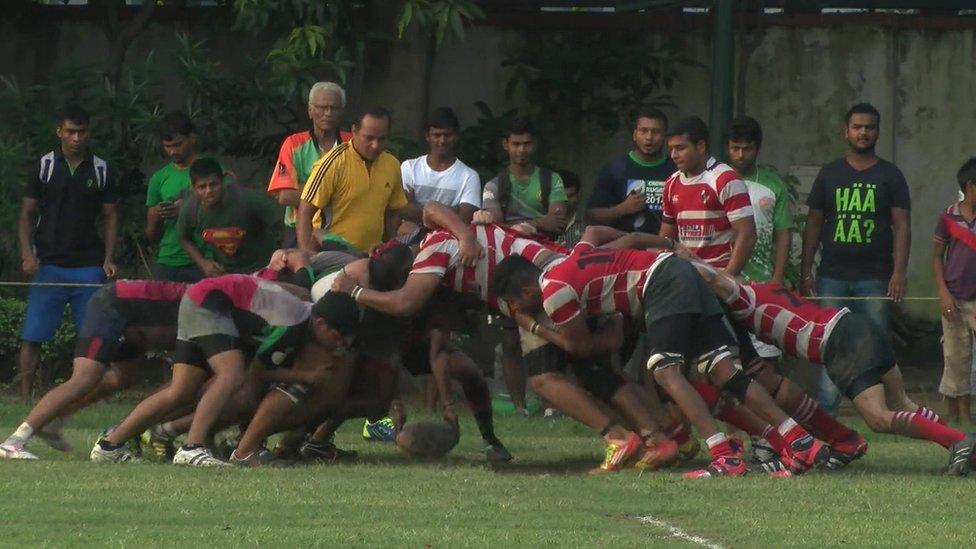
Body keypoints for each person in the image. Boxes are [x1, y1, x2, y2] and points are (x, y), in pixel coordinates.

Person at [492, 237, 829, 478]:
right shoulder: (570, 259)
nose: (516, 310)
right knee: (724, 371)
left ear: (524, 292)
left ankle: (724, 455)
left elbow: (578, 347)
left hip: (662, 283)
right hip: (679, 270)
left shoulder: (553, 295)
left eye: (515, 304)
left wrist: (534, 325)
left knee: (664, 372)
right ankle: (800, 441)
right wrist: (665, 242)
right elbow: (601, 233)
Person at [685, 258, 975, 475]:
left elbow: (714, 279)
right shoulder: (756, 292)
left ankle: (959, 440)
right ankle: (964, 446)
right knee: (902, 403)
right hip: (856, 327)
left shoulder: (740, 296)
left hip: (840, 340)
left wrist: (680, 263)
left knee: (878, 417)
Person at [91, 275, 356, 466]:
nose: (340, 344)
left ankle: (110, 444)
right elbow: (259, 372)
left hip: (200, 298)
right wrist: (307, 377)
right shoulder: (293, 323)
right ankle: (192, 447)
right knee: (231, 375)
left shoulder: (298, 315)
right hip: (211, 302)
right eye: (338, 336)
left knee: (180, 391)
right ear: (320, 324)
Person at [801, 103, 911, 415]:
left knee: (876, 345)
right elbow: (813, 223)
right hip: (832, 275)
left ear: (877, 131)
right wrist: (806, 269)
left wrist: (899, 272)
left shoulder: (891, 175)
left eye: (869, 127)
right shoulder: (830, 173)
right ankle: (826, 412)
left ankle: (882, 411)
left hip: (876, 276)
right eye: (857, 127)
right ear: (846, 131)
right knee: (829, 343)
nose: (863, 132)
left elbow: (902, 225)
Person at [0, 280, 187, 460]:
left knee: (123, 378)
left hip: (136, 322)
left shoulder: (206, 302)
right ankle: (14, 442)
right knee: (83, 379)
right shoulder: (206, 302)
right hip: (114, 303)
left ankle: (53, 421)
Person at [17, 103, 118, 402]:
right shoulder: (45, 166)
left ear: (89, 132)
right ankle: (24, 399)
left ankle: (92, 396)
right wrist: (27, 254)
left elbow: (111, 216)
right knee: (33, 335)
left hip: (88, 264)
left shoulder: (100, 169)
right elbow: (26, 212)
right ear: (59, 131)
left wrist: (108, 258)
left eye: (82, 131)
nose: (76, 138)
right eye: (71, 131)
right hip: (48, 263)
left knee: (95, 335)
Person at [297, 106, 419, 254]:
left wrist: (390, 247)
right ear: (354, 131)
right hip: (334, 253)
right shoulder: (333, 163)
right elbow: (305, 211)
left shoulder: (391, 164)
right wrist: (307, 256)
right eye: (369, 138)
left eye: (381, 139)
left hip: (373, 254)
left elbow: (392, 211)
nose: (375, 145)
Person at [725, 115, 794, 363]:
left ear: (757, 148)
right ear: (727, 148)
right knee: (725, 360)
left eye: (747, 148)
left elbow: (783, 233)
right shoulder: (716, 182)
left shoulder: (773, 185)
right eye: (735, 148)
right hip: (723, 280)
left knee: (764, 360)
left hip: (762, 284)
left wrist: (777, 277)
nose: (741, 155)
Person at [660, 116, 755, 275]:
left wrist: (726, 280)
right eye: (671, 149)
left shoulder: (725, 179)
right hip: (685, 277)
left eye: (680, 148)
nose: (674, 155)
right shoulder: (671, 184)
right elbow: (666, 238)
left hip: (718, 275)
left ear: (701, 146)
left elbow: (747, 234)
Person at [266, 82, 351, 246]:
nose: (328, 113)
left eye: (334, 108)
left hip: (343, 230)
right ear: (310, 111)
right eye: (322, 107)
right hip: (298, 230)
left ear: (342, 112)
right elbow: (285, 195)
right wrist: (336, 191)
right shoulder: (293, 144)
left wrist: (305, 189)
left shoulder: (352, 144)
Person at [176, 157, 280, 276]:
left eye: (213, 184)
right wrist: (203, 263)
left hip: (261, 268)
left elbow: (281, 222)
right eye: (202, 187)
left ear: (223, 181)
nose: (208, 191)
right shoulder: (191, 209)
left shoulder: (247, 199)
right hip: (224, 272)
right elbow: (183, 238)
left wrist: (281, 256)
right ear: (193, 188)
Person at [585, 106, 676, 235]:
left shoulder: (676, 170)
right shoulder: (615, 169)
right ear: (634, 135)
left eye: (656, 132)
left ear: (665, 137)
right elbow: (590, 216)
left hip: (662, 248)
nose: (649, 137)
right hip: (621, 246)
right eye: (643, 131)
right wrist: (621, 209)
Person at [933, 158, 976, 424]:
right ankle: (962, 417)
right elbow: (937, 257)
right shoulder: (948, 217)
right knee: (956, 357)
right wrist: (943, 293)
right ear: (970, 186)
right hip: (955, 298)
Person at [145, 112, 211, 282]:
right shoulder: (159, 178)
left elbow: (229, 207)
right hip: (169, 259)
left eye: (178, 144)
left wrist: (190, 206)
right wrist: (157, 214)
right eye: (167, 146)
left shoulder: (211, 169)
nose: (173, 151)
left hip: (206, 259)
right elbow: (151, 233)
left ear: (192, 139)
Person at [482, 116, 568, 239]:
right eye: (516, 144)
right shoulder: (493, 186)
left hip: (546, 247)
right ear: (506, 145)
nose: (521, 150)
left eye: (527, 144)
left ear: (535, 144)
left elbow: (557, 223)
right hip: (508, 251)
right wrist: (538, 223)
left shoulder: (552, 179)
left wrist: (516, 225)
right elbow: (496, 228)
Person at [401, 107, 481, 222]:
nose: (442, 141)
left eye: (447, 135)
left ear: (456, 136)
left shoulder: (469, 176)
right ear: (427, 136)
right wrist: (452, 210)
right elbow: (402, 210)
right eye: (437, 135)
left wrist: (416, 210)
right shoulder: (409, 168)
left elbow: (465, 218)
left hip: (450, 239)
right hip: (413, 236)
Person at [556, 170, 584, 248]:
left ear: (578, 195)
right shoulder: (542, 222)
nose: (565, 201)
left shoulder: (589, 223)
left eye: (570, 196)